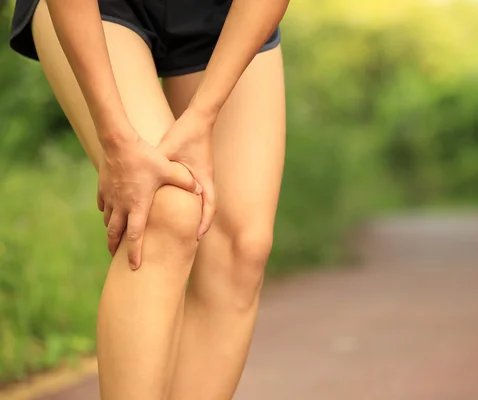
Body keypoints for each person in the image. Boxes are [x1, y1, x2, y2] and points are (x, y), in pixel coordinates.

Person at [9, 0, 289, 398]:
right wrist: (117, 138)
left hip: (223, 12)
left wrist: (203, 114)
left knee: (241, 248)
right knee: (165, 208)